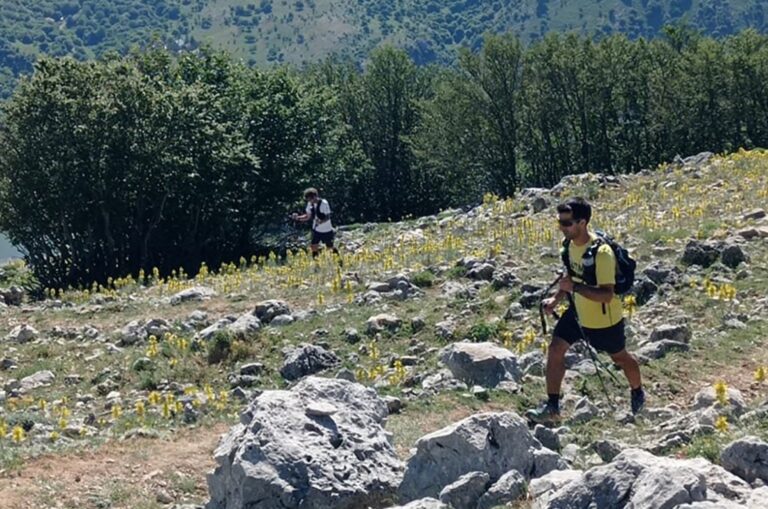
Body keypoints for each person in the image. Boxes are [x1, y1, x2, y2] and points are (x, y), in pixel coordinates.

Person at [526, 197, 645, 423]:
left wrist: (575, 288)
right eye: (560, 222)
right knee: (555, 349)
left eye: (567, 223)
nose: (562, 227)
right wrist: (556, 299)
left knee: (620, 358)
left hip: (603, 320)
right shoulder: (569, 247)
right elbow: (569, 277)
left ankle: (637, 391)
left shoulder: (602, 253)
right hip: (578, 311)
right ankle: (552, 406)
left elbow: (607, 295)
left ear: (583, 223)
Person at [291, 187, 340, 260]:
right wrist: (298, 218)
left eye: (311, 199)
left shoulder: (324, 203)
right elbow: (308, 216)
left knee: (330, 247)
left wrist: (321, 222)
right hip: (316, 230)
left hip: (326, 230)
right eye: (308, 200)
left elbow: (328, 216)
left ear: (315, 196)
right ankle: (316, 262)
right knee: (313, 246)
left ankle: (338, 260)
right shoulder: (310, 204)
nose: (310, 201)